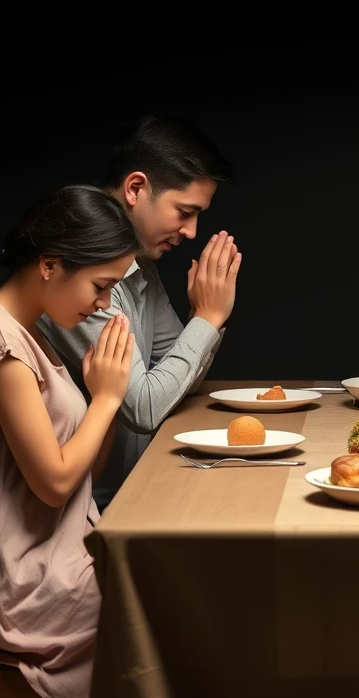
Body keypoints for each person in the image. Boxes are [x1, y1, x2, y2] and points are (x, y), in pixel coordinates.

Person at [0, 184, 139, 698]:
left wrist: (98, 399)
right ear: (49, 265)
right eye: (101, 285)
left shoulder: (27, 331)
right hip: (7, 584)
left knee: (177, 584)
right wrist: (108, 398)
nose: (104, 304)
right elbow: (56, 484)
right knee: (169, 606)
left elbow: (81, 466)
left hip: (39, 554)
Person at [38, 113, 241, 511]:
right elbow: (145, 407)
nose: (192, 232)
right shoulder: (83, 275)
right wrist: (208, 319)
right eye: (184, 212)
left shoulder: (138, 265)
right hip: (96, 508)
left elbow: (178, 378)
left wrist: (206, 318)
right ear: (136, 188)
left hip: (141, 483)